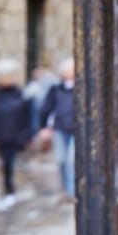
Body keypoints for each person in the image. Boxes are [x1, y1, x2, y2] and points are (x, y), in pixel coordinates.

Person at [0, 59, 31, 211]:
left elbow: (27, 115)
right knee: (5, 163)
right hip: (0, 134)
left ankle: (10, 190)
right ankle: (8, 189)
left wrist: (26, 135)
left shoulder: (21, 94)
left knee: (9, 163)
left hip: (15, 134)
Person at [39, 57, 75, 201]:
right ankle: (65, 188)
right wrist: (43, 128)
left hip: (75, 130)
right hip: (60, 129)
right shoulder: (56, 89)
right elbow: (46, 109)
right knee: (61, 160)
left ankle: (71, 191)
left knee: (71, 161)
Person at [23, 66, 59, 138]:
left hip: (40, 108)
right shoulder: (51, 82)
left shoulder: (38, 84)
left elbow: (26, 96)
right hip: (40, 108)